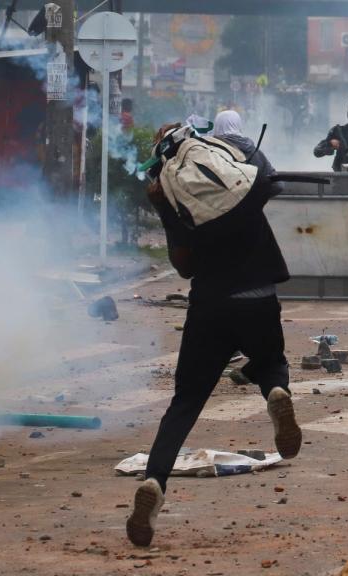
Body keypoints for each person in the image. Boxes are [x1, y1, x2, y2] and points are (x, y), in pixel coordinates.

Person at [126, 120, 301, 547]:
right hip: (258, 296)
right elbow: (267, 180)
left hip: (210, 306)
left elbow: (184, 265)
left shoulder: (169, 193)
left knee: (184, 403)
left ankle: (154, 482)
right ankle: (275, 393)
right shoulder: (235, 171)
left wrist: (169, 215)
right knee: (271, 361)